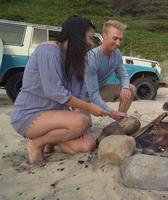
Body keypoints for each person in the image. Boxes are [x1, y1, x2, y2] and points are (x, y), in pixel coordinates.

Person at [11, 15, 109, 164]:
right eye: (90, 38)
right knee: (80, 122)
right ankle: (37, 144)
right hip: (30, 114)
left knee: (87, 144)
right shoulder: (48, 50)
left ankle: (51, 141)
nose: (91, 44)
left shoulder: (74, 60)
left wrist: (88, 118)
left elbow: (78, 95)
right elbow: (54, 92)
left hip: (55, 115)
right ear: (77, 35)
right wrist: (87, 110)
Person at [84, 20, 136, 121]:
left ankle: (120, 121)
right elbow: (93, 95)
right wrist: (110, 112)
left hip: (101, 89)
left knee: (131, 88)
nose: (118, 43)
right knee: (83, 127)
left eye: (120, 39)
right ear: (104, 36)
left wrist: (125, 87)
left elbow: (123, 75)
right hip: (84, 95)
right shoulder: (92, 57)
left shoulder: (117, 54)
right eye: (115, 38)